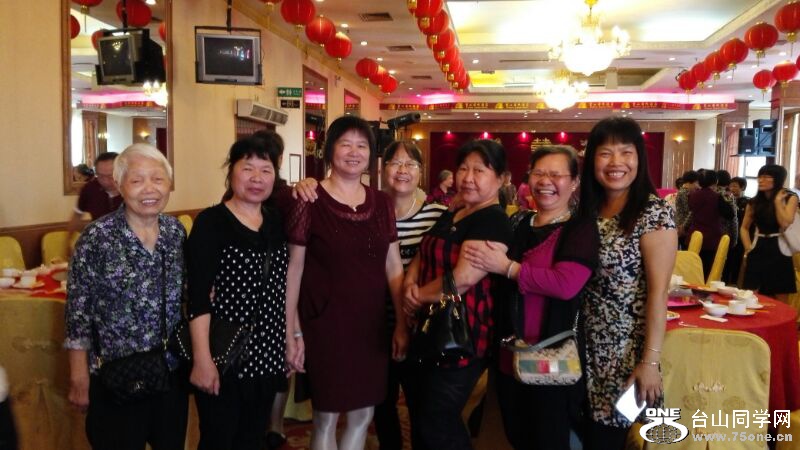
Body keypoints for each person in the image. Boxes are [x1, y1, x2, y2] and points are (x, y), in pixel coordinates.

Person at [293, 140, 447, 450]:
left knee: (419, 406)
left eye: (410, 164)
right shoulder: (370, 207)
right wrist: (304, 184)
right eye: (395, 163)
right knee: (378, 407)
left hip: (416, 324)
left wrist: (408, 315)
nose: (402, 170)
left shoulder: (438, 215)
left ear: (421, 171)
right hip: (365, 325)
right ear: (381, 168)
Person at [284, 116, 408, 450]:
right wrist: (291, 331)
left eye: (362, 145)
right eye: (345, 144)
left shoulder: (382, 203)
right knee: (325, 416)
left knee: (363, 414)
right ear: (330, 151)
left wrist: (401, 323)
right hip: (325, 324)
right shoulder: (308, 199)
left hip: (371, 327)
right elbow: (294, 269)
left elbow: (393, 265)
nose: (354, 152)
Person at [463, 145, 599, 450]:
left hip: (552, 357)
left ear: (574, 182)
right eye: (538, 173)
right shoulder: (519, 222)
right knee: (516, 434)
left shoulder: (580, 229)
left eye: (556, 174)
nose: (545, 181)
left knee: (549, 438)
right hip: (510, 353)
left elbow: (565, 284)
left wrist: (508, 268)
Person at [65, 144, 187, 450]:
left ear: (169, 184)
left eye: (158, 179)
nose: (150, 189)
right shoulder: (97, 237)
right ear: (120, 185)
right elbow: (77, 312)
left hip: (168, 371)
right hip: (115, 375)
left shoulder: (175, 232)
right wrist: (79, 376)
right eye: (137, 180)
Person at [403, 139, 513, 450]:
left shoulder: (493, 220)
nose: (468, 177)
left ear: (501, 179)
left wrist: (417, 296)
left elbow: (463, 278)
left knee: (439, 421)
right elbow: (424, 250)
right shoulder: (456, 211)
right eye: (463, 169)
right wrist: (410, 281)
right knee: (421, 414)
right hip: (429, 329)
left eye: (479, 170)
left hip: (461, 335)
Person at [185, 134, 290, 450]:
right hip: (224, 354)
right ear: (231, 172)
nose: (257, 178)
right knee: (218, 439)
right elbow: (198, 297)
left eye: (266, 170)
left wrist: (289, 340)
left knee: (252, 438)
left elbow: (285, 286)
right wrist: (202, 359)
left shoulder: (276, 221)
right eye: (248, 168)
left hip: (267, 352)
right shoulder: (211, 222)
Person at [578, 117, 676, 449]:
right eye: (605, 153)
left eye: (626, 152)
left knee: (612, 439)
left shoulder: (653, 214)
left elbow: (658, 295)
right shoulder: (587, 210)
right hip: (583, 349)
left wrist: (649, 362)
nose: (616, 162)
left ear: (639, 158)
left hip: (623, 354)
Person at [741, 164, 798, 302]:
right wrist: (748, 249)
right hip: (758, 246)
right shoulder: (754, 202)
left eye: (766, 177)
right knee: (751, 295)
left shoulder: (790, 198)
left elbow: (785, 223)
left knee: (780, 294)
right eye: (760, 177)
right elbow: (744, 228)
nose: (761, 180)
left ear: (777, 179)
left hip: (780, 248)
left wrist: (778, 202)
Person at [66, 152, 123, 232]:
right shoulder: (90, 189)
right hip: (100, 237)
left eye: (110, 176)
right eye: (101, 176)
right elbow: (77, 215)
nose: (105, 181)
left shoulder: (132, 189)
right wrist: (68, 238)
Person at [686, 170, 727, 277]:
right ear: (715, 181)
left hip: (694, 234)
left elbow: (691, 210)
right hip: (711, 237)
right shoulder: (717, 197)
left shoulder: (692, 195)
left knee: (692, 267)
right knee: (707, 269)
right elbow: (730, 214)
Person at [725, 177, 751, 284]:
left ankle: (735, 282)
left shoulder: (747, 202)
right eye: (731, 186)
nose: (732, 188)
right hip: (729, 235)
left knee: (738, 260)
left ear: (742, 187)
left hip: (741, 236)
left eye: (735, 186)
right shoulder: (727, 200)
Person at [674, 170, 700, 241]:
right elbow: (689, 210)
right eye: (696, 183)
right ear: (689, 182)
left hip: (683, 225)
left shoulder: (684, 192)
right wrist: (683, 226)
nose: (698, 186)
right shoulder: (684, 193)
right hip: (683, 226)